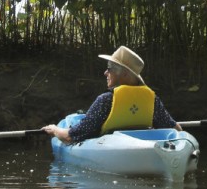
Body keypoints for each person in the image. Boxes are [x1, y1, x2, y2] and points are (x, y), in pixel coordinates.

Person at [42, 46, 182, 144]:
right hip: (143, 149)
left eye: (109, 68)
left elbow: (70, 137)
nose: (105, 73)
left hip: (113, 152)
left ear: (125, 74)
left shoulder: (106, 100)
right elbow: (176, 130)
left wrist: (55, 129)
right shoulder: (152, 100)